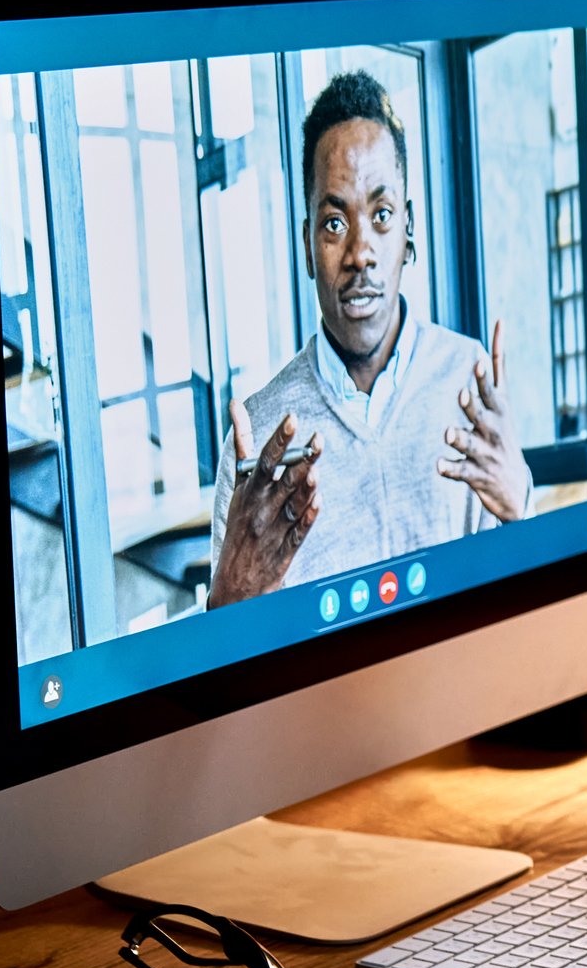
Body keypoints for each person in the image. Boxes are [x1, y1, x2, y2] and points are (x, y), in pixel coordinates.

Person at [209, 71, 532, 606]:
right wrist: (228, 600)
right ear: (307, 245)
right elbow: (228, 645)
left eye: (381, 215)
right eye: (334, 223)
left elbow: (524, 604)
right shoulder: (259, 440)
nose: (360, 253)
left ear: (409, 229)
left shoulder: (467, 380)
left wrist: (521, 508)